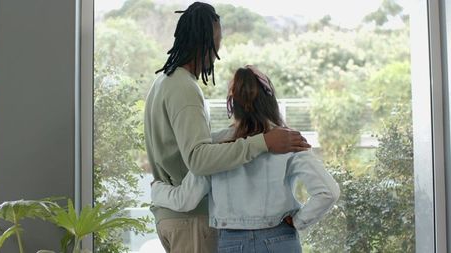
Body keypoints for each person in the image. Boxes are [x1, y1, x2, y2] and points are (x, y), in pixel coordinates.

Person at [144, 2, 311, 253]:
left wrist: (235, 136)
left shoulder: (163, 82)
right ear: (205, 42)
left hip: (173, 216)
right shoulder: (185, 88)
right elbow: (199, 159)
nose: (218, 49)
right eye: (218, 40)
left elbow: (187, 147)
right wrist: (263, 142)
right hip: (192, 221)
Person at [151, 66, 340, 253]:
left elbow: (186, 200)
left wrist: (157, 190)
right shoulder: (289, 141)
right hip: (280, 239)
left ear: (232, 104)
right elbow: (328, 192)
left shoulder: (214, 146)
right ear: (270, 100)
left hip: (233, 243)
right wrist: (299, 220)